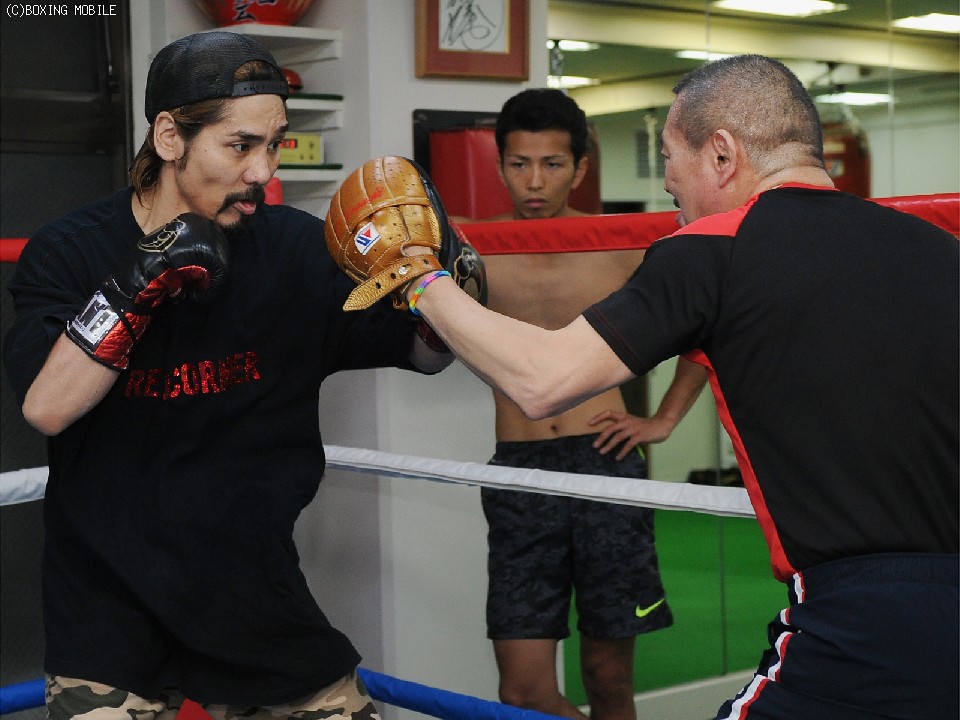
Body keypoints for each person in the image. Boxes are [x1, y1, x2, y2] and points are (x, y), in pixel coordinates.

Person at [337, 55, 959, 719]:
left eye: (668, 155)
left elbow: (542, 381)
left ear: (721, 154)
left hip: (855, 616)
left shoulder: (714, 248)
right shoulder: (936, 247)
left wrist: (416, 276)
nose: (665, 181)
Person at [2, 31, 457, 719]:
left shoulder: (295, 250)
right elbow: (47, 406)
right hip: (108, 612)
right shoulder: (70, 252)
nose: (262, 171)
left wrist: (444, 282)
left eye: (274, 145)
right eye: (241, 145)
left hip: (256, 603)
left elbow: (425, 355)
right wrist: (137, 284)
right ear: (169, 137)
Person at [450, 88, 704, 720]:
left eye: (553, 164)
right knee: (522, 691)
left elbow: (709, 325)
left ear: (580, 167)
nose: (535, 182)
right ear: (500, 165)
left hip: (605, 467)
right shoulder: (471, 248)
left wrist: (664, 419)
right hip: (519, 471)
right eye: (519, 164)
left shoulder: (620, 245)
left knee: (608, 679)